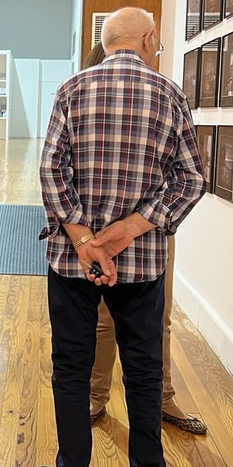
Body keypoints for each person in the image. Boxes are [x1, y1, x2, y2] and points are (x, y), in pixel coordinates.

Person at [35, 7, 204, 467]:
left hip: (73, 260)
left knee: (71, 367)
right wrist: (129, 230)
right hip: (143, 261)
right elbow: (191, 180)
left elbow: (50, 168)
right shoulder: (170, 93)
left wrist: (87, 239)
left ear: (105, 42)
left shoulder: (72, 89)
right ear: (149, 39)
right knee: (145, 368)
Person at [82, 44, 208, 436]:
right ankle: (95, 395)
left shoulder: (164, 98)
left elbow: (186, 175)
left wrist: (141, 222)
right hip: (102, 235)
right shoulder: (87, 94)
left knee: (159, 321)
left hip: (150, 233)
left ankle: (161, 396)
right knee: (104, 319)